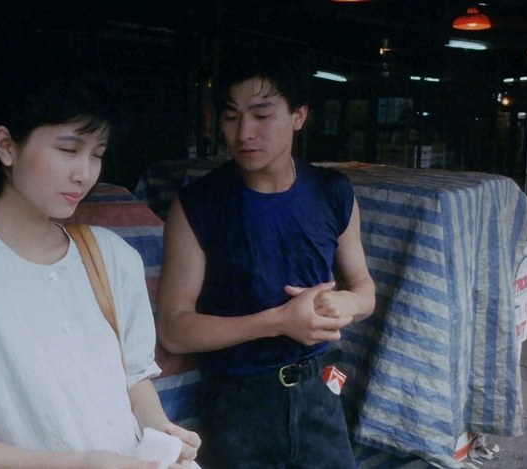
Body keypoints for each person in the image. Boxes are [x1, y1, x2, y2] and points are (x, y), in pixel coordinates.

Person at [0, 62, 200, 469]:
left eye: (97, 154)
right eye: (68, 150)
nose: (85, 174)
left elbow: (134, 377)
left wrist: (163, 433)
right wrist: (84, 464)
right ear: (6, 146)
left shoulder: (112, 257)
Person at [156, 45, 376, 468]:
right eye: (231, 116)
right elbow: (174, 330)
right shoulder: (197, 206)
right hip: (238, 403)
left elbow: (364, 289)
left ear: (299, 115)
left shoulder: (332, 192)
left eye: (261, 114)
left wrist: (346, 302)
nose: (244, 133)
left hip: (320, 389)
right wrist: (278, 321)